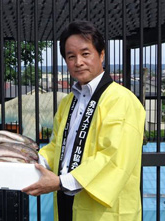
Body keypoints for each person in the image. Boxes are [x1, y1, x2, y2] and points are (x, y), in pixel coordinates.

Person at [22, 20, 145, 221]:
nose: (78, 62)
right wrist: (31, 161)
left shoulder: (121, 100)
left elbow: (114, 156)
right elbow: (57, 147)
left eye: (85, 54)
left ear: (102, 55)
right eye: (71, 56)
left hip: (105, 212)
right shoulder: (68, 102)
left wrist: (61, 182)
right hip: (67, 203)